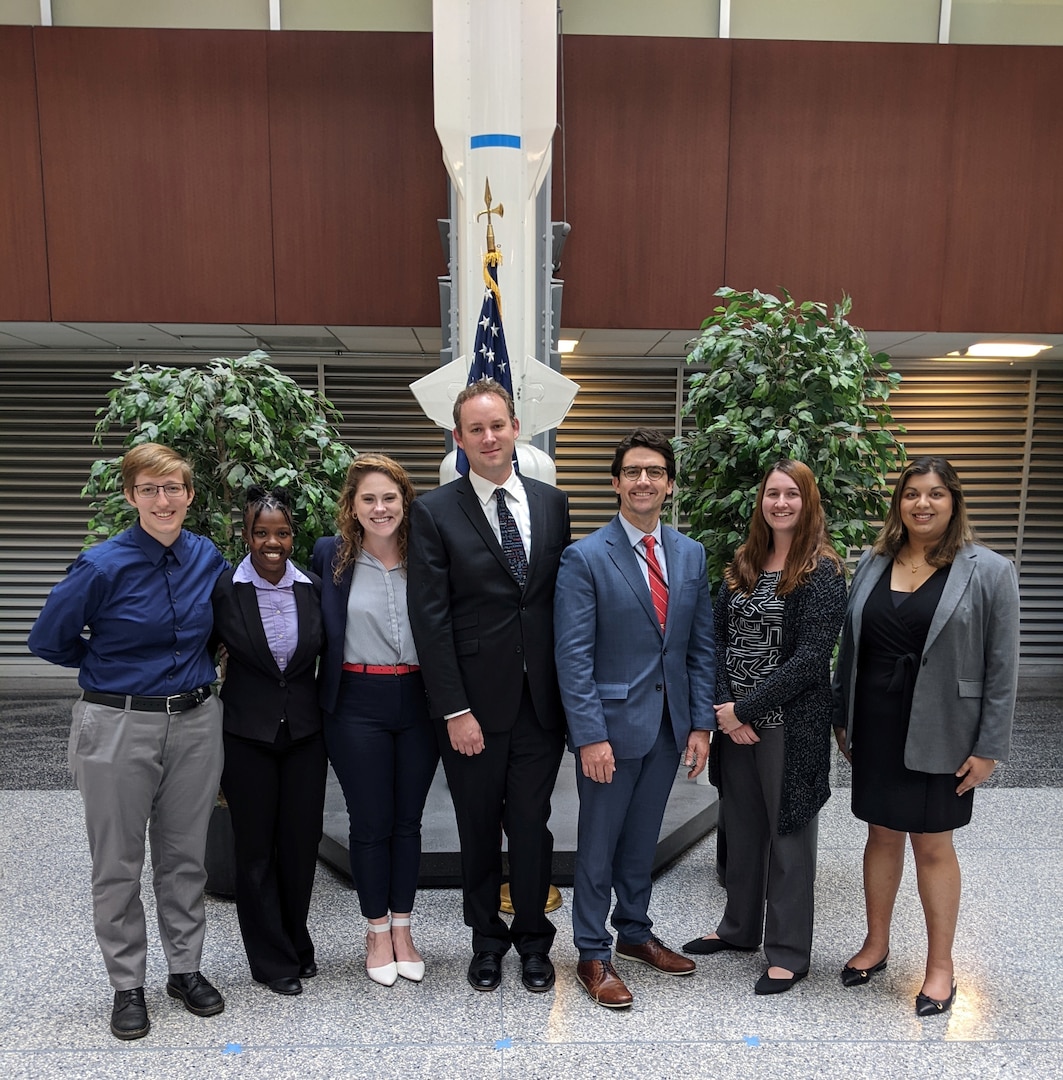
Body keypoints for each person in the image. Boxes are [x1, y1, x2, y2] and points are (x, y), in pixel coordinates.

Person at [27, 443, 227, 1040]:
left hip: (195, 722)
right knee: (118, 862)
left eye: (173, 489)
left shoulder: (206, 557)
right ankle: (127, 985)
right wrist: (109, 666)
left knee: (185, 856)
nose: (162, 501)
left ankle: (185, 971)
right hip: (117, 723)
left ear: (190, 495)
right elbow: (49, 639)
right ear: (130, 495)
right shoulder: (101, 565)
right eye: (149, 489)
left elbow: (222, 628)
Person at [833, 456, 1019, 1016]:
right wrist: (842, 715)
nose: (922, 504)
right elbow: (852, 643)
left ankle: (941, 966)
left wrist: (989, 747)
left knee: (933, 845)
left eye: (935, 494)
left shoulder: (988, 569)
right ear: (899, 502)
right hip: (876, 722)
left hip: (945, 728)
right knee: (881, 835)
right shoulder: (872, 561)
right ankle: (876, 942)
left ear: (954, 501)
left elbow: (1001, 665)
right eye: (912, 493)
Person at [407, 378, 571, 994]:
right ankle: (485, 941)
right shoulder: (433, 511)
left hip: (541, 704)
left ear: (515, 428)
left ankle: (533, 940)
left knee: (532, 824)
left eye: (497, 425)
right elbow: (431, 618)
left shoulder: (552, 504)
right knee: (477, 825)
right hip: (472, 707)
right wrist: (454, 709)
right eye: (475, 429)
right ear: (458, 438)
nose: (488, 437)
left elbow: (559, 604)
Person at [554, 429, 715, 1009]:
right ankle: (593, 953)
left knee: (642, 838)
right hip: (611, 733)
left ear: (668, 484)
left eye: (654, 472)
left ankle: (636, 932)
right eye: (632, 472)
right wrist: (590, 736)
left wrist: (700, 724)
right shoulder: (586, 557)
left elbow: (699, 646)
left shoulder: (690, 554)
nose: (643, 481)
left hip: (670, 728)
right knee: (599, 843)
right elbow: (572, 656)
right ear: (615, 482)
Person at [683, 460, 846, 995]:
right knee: (743, 831)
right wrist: (726, 707)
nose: (780, 503)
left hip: (787, 726)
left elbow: (811, 659)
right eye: (772, 493)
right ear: (761, 501)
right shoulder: (744, 564)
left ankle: (789, 952)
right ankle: (738, 930)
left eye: (791, 494)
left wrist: (745, 710)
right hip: (738, 723)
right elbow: (717, 639)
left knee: (789, 836)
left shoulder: (822, 570)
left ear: (808, 501)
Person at [312, 454, 439, 986]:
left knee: (407, 822)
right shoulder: (330, 556)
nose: (380, 508)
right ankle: (375, 930)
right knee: (369, 823)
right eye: (369, 499)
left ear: (405, 502)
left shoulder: (428, 555)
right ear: (353, 505)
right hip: (355, 699)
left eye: (390, 498)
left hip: (418, 698)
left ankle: (404, 928)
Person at [211, 485, 327, 997]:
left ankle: (295, 940)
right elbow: (201, 650)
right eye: (261, 533)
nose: (271, 542)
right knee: (255, 849)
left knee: (300, 846)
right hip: (246, 735)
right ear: (246, 534)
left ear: (293, 535)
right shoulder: (224, 590)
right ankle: (269, 958)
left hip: (305, 733)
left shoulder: (314, 587)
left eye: (281, 532)